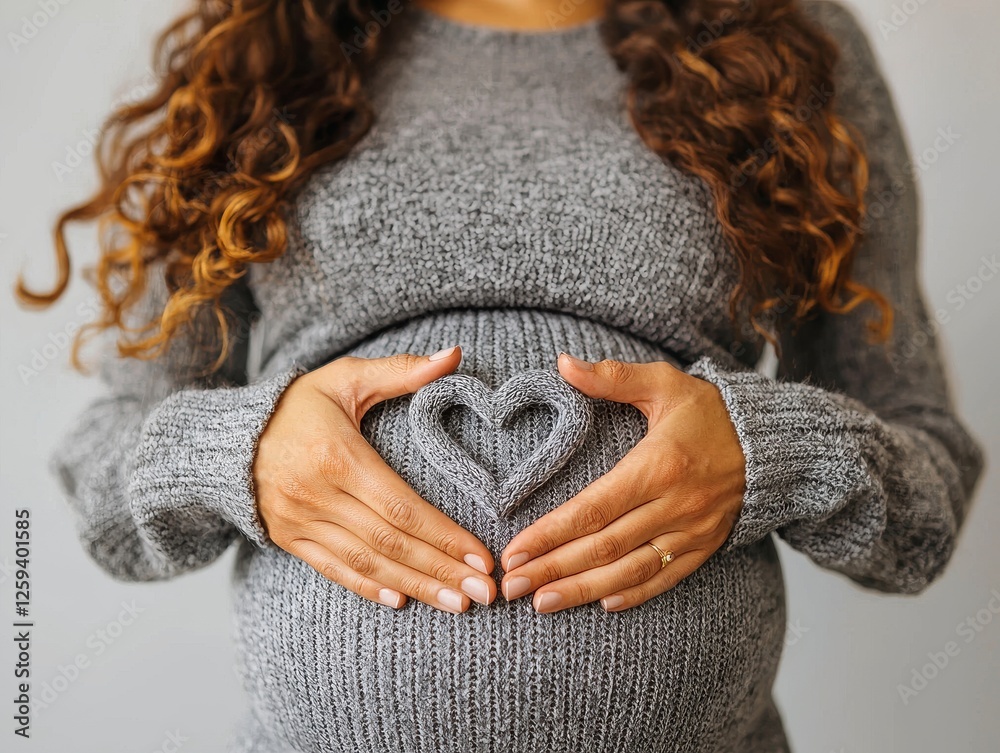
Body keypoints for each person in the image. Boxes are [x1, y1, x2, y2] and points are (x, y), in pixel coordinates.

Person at [18, 0, 985, 751]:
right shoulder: (258, 60)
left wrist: (765, 449)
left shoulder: (783, 47)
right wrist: (245, 451)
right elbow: (106, 478)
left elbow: (923, 496)